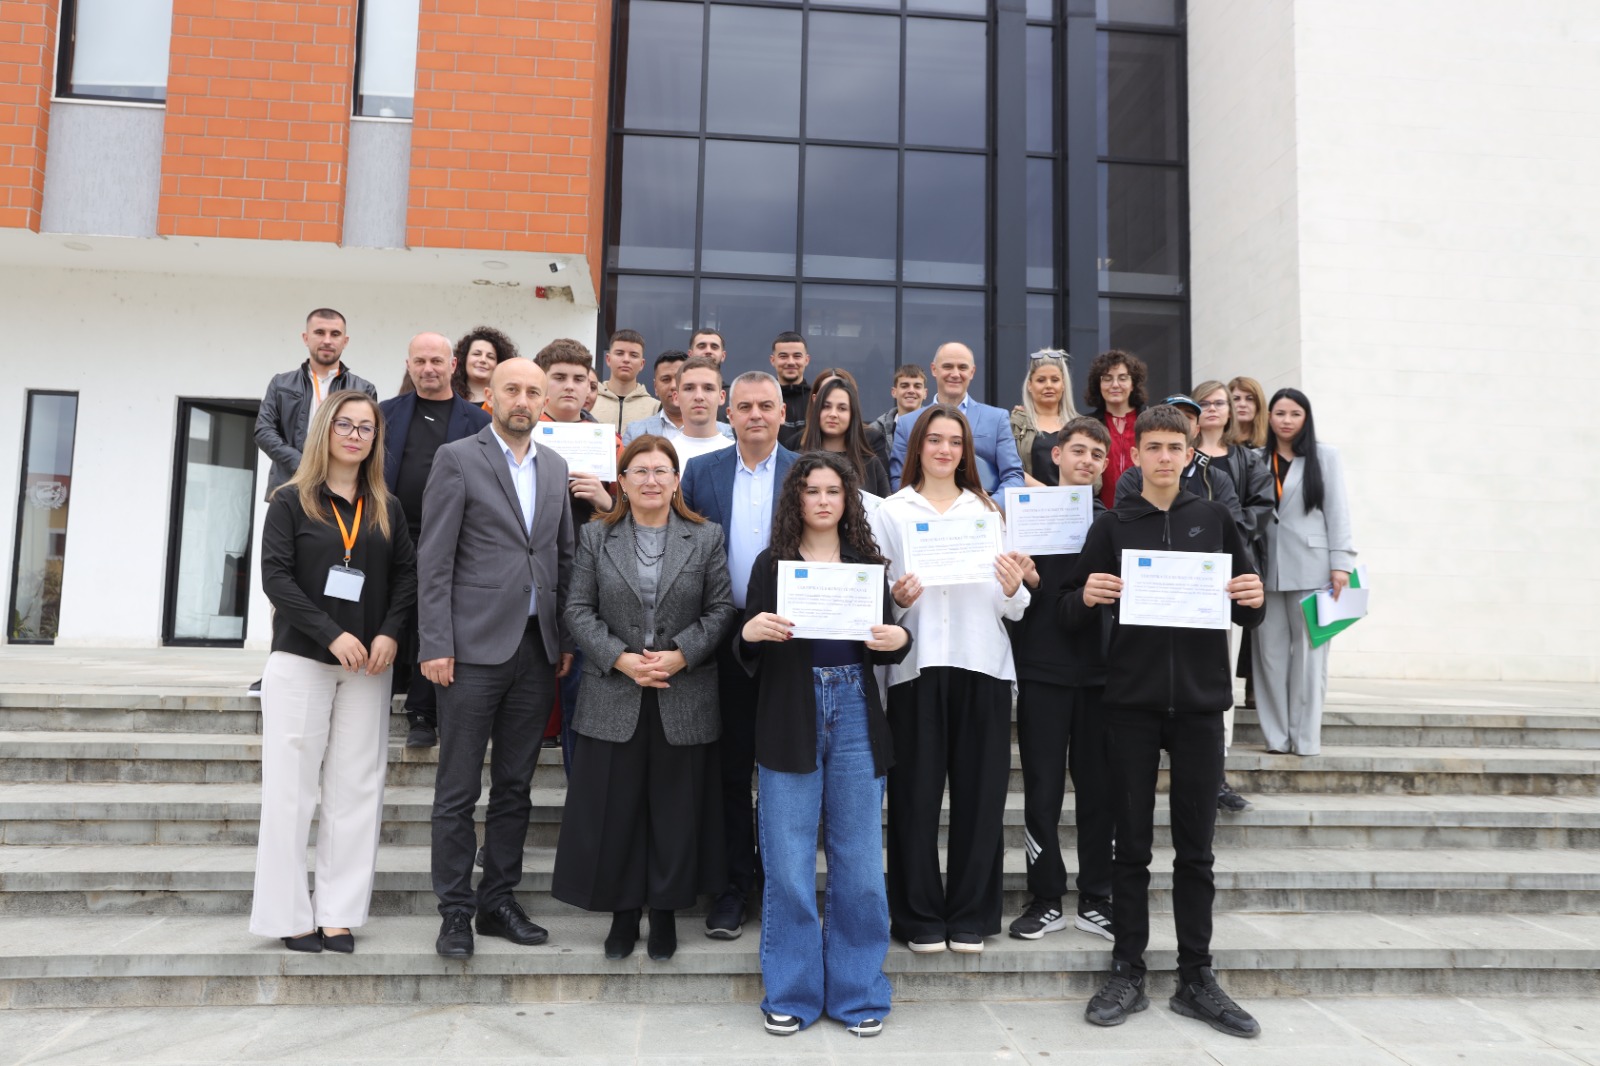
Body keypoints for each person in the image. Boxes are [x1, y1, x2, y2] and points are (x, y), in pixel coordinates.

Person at [1062, 405, 1265, 1039]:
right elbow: (1068, 608)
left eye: (1175, 447)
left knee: (1196, 851)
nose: (1165, 457)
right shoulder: (1113, 524)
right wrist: (1085, 597)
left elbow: (1248, 608)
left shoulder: (1216, 519)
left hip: (1201, 706)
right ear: (1137, 454)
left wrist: (1254, 599)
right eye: (1153, 447)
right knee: (1131, 848)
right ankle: (1128, 970)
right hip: (1131, 704)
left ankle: (1196, 977)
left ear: (1189, 453)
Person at [738, 452, 912, 1038]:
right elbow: (748, 645)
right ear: (797, 498)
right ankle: (791, 993)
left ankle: (859, 993)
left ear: (846, 500)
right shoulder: (772, 564)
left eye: (832, 491)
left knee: (858, 860)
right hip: (790, 711)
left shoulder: (867, 564)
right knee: (788, 862)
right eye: (811, 490)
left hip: (856, 709)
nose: (822, 500)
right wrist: (750, 632)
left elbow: (884, 645)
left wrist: (898, 638)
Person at [552, 435, 737, 963]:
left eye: (661, 471)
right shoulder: (596, 536)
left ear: (676, 480)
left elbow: (721, 609)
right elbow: (578, 609)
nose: (651, 480)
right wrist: (621, 659)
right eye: (640, 471)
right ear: (622, 482)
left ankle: (665, 912)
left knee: (676, 810)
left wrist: (681, 655)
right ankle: (623, 911)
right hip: (614, 688)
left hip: (684, 689)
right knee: (617, 808)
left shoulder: (705, 537)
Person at [419, 358, 575, 959]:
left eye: (534, 392)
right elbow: (434, 559)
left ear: (544, 401)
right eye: (513, 389)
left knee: (514, 787)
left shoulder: (555, 466)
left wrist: (563, 640)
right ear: (490, 395)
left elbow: (561, 557)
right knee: (457, 789)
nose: (524, 400)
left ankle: (497, 901)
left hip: (536, 650)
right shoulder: (458, 458)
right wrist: (436, 642)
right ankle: (455, 911)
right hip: (469, 651)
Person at [252, 389, 415, 953]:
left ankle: (337, 913)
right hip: (303, 660)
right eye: (344, 425)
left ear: (376, 440)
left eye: (366, 428)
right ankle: (288, 915)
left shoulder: (386, 506)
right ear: (325, 429)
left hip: (368, 667)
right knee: (290, 793)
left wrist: (389, 632)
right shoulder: (291, 501)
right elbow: (276, 579)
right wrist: (332, 633)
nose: (354, 435)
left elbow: (407, 577)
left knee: (356, 790)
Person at [870, 404, 1031, 954]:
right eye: (935, 439)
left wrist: (1012, 586)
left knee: (980, 797)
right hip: (914, 666)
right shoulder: (891, 511)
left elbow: (1013, 607)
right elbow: (876, 600)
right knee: (913, 799)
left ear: (966, 451)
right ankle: (917, 916)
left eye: (955, 442)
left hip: (981, 662)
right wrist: (896, 599)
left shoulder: (986, 512)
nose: (944, 450)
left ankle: (971, 915)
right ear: (918, 446)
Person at [679, 371, 798, 939]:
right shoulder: (701, 472)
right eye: (745, 406)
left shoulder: (806, 471)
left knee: (784, 770)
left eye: (766, 406)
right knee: (728, 768)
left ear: (782, 413)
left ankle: (780, 883)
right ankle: (732, 886)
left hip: (792, 635)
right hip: (720, 636)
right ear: (730, 412)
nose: (755, 415)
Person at [1006, 416, 1115, 943]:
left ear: (1105, 464)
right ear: (1056, 455)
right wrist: (1028, 581)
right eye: (1078, 451)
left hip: (1100, 676)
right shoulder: (1026, 517)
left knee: (1099, 791)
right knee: (1042, 790)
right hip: (1042, 669)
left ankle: (1097, 896)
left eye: (1097, 454)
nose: (1086, 461)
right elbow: (1017, 596)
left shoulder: (1115, 522)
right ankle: (1045, 897)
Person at [251, 308, 378, 697]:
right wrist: (305, 465)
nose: (327, 339)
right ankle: (280, 663)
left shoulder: (362, 387)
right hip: (292, 490)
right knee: (287, 580)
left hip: (344, 494)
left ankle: (340, 650)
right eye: (319, 332)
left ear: (345, 341)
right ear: (305, 338)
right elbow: (263, 430)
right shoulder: (282, 383)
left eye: (335, 333)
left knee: (338, 571)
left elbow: (369, 435)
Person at [379, 333, 492, 749]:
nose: (428, 368)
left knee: (436, 621)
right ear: (408, 365)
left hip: (452, 538)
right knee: (392, 614)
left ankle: (423, 714)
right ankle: (382, 693)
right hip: (391, 534)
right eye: (420, 361)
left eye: (437, 361)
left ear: (453, 365)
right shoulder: (385, 414)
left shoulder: (478, 421)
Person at [1254, 388, 1357, 757]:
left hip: (1314, 568)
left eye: (1294, 414)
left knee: (1311, 658)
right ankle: (1276, 738)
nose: (1286, 420)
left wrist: (1341, 564)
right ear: (1269, 417)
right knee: (1269, 657)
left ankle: (1306, 739)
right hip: (1266, 569)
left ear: (1305, 418)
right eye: (1280, 413)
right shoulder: (1255, 458)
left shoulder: (1325, 456)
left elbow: (1338, 511)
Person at [534, 339, 621, 773]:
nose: (569, 386)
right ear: (542, 384)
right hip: (532, 577)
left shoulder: (610, 441)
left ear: (591, 386)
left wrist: (606, 502)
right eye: (559, 378)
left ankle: (580, 795)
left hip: (592, 581)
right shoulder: (523, 436)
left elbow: (639, 516)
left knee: (578, 690)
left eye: (578, 378)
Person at [1192, 378, 1275, 811]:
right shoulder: (1179, 455)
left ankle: (1216, 772)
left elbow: (1262, 509)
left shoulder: (1247, 460)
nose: (1213, 408)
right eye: (1204, 402)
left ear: (1230, 411)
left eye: (1220, 403)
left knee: (1220, 675)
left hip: (1227, 580)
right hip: (1180, 581)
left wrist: (1222, 532)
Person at [888, 342, 1025, 497]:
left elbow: (1013, 476)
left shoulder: (997, 419)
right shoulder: (908, 423)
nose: (955, 374)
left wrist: (990, 506)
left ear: (972, 372)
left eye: (962, 367)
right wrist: (928, 507)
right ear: (934, 369)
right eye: (947, 366)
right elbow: (899, 479)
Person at [1113, 395, 1241, 528]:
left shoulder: (1216, 478)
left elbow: (1234, 530)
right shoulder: (1132, 478)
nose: (1179, 420)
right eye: (1174, 414)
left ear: (1197, 430)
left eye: (1188, 417)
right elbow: (1122, 529)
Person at [798, 376, 891, 498]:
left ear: (852, 414)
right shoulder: (796, 461)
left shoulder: (870, 464)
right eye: (826, 406)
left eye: (842, 408)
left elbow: (885, 506)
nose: (833, 414)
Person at [1083, 349, 1148, 509]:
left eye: (1123, 378)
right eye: (1107, 379)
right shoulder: (1087, 425)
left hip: (1144, 511)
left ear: (1133, 384)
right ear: (1099, 385)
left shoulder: (1149, 421)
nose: (1115, 385)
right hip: (1099, 512)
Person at [622, 351, 734, 444]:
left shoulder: (728, 434)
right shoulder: (635, 432)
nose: (673, 386)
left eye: (678, 379)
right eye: (666, 379)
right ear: (655, 387)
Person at [1011, 349, 1079, 487]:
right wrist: (1046, 493)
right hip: (1029, 499)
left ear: (1063, 385)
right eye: (1041, 380)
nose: (1048, 385)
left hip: (1072, 499)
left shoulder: (1080, 426)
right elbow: (1008, 467)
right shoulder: (1016, 425)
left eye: (1055, 380)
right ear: (1030, 385)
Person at [669, 357, 738, 465]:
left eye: (708, 388)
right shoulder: (663, 456)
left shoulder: (739, 456)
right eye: (689, 388)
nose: (699, 396)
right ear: (676, 397)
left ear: (722, 397)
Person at [592, 329, 661, 434]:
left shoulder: (655, 408)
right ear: (608, 359)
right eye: (619, 353)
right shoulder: (589, 402)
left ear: (642, 364)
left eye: (633, 355)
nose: (626, 359)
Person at [450, 326, 518, 408]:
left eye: (490, 357)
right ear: (464, 359)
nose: (483, 360)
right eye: (476, 354)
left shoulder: (507, 402)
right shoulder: (448, 397)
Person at [868, 365, 928, 457]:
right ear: (894, 392)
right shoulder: (874, 431)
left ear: (925, 393)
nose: (911, 390)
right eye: (904, 386)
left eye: (917, 386)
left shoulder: (935, 426)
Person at [769, 331, 810, 442]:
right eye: (783, 356)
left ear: (806, 360)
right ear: (773, 360)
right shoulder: (763, 399)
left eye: (797, 356)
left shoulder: (817, 399)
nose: (791, 362)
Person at [1228, 376, 1269, 451]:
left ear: (1258, 405)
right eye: (1236, 399)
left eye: (1249, 399)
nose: (1242, 404)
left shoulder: (1271, 440)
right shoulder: (1218, 440)